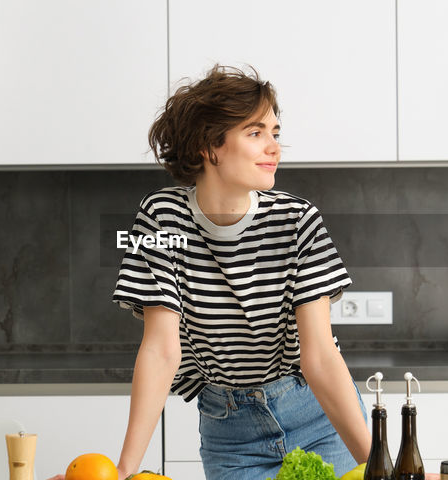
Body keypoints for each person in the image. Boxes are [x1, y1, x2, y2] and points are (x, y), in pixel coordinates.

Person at [51, 65, 369, 480]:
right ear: (209, 146)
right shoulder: (162, 221)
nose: (274, 147)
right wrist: (124, 470)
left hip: (318, 420)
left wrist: (384, 468)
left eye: (275, 131)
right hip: (232, 435)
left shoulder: (297, 222)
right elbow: (162, 350)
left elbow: (320, 358)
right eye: (255, 133)